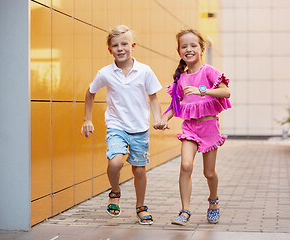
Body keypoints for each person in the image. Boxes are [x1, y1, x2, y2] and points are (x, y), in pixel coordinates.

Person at [81, 25, 163, 225]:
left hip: (140, 128)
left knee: (139, 170)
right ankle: (115, 191)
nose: (120, 48)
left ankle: (140, 207)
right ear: (110, 49)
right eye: (115, 45)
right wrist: (87, 119)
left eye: (124, 44)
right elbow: (90, 92)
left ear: (133, 46)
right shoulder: (105, 73)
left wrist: (158, 119)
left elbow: (153, 97)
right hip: (117, 126)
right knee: (115, 162)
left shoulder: (145, 71)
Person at [154, 29, 231, 225]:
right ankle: (185, 210)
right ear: (179, 51)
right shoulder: (181, 78)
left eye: (193, 45)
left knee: (209, 173)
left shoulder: (209, 71)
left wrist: (202, 90)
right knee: (186, 165)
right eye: (184, 46)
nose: (189, 49)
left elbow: (226, 92)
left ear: (202, 49)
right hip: (190, 128)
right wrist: (164, 119)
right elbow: (176, 106)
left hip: (209, 127)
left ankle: (213, 201)